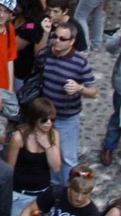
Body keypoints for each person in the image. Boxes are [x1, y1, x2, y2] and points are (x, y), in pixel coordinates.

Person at [39, 21, 99, 184]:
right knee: (47, 153)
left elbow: (94, 92)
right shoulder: (47, 53)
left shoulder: (80, 62)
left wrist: (80, 88)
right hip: (46, 117)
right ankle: (51, 187)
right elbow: (37, 55)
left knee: (68, 157)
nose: (56, 41)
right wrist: (45, 35)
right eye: (55, 36)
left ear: (72, 41)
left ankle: (67, 189)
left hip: (66, 119)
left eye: (62, 39)